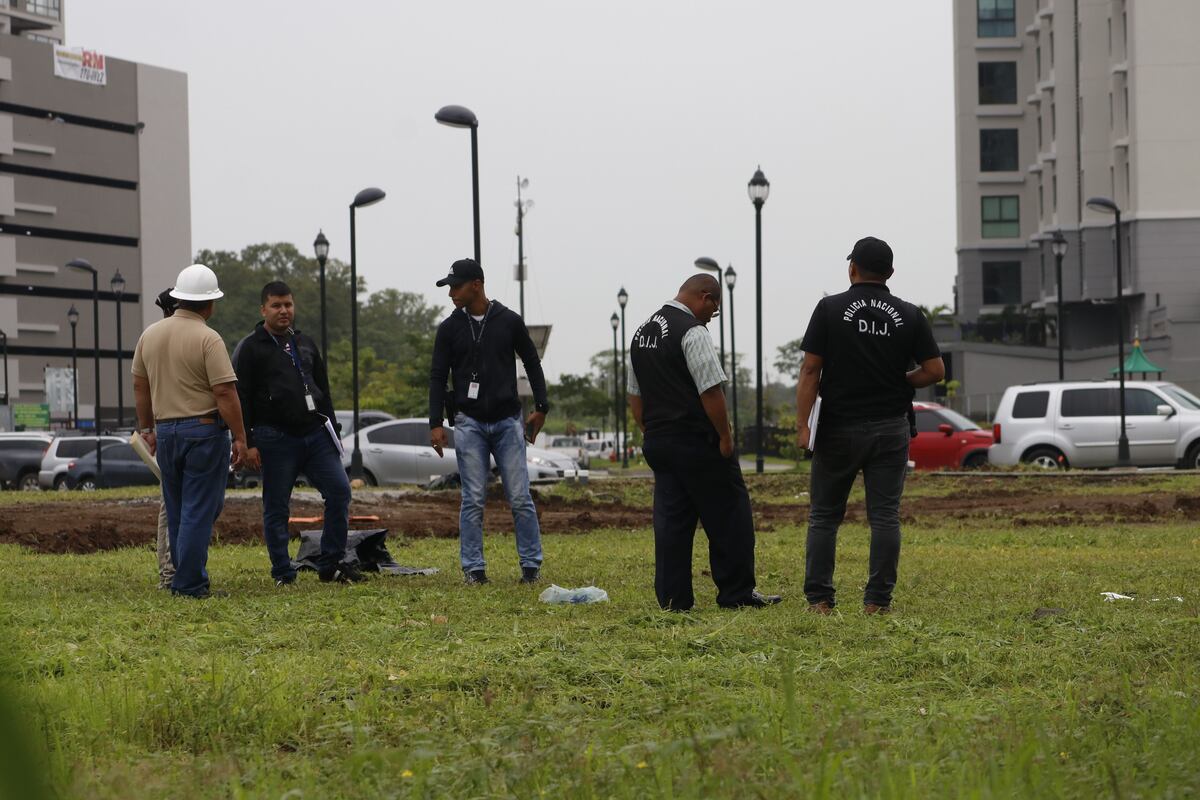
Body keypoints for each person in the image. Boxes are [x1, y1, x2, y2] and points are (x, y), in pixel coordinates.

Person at [796, 237, 945, 615]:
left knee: (824, 517)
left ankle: (820, 601)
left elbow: (811, 369)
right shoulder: (909, 314)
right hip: (890, 429)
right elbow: (934, 371)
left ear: (852, 269)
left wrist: (802, 426)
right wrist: (901, 380)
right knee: (884, 516)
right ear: (890, 273)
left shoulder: (829, 309)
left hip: (836, 429)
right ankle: (877, 602)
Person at [628, 273, 781, 611]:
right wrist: (725, 437)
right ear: (706, 297)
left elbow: (634, 394)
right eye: (715, 307)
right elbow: (710, 389)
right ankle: (737, 593)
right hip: (696, 441)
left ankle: (673, 599)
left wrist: (649, 429)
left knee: (671, 522)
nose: (714, 314)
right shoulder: (692, 331)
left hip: (660, 441)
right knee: (730, 515)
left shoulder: (642, 332)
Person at [428, 258, 549, 585]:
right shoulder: (450, 328)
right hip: (469, 422)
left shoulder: (508, 321)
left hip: (508, 421)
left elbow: (532, 362)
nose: (451, 292)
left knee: (520, 496)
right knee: (473, 498)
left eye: (456, 286)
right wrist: (435, 422)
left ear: (476, 285)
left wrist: (542, 405)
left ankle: (531, 566)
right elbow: (438, 376)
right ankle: (473, 569)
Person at [131, 264, 248, 599]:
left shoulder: (150, 335)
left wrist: (147, 428)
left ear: (179, 298)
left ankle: (182, 577)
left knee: (179, 507)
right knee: (199, 509)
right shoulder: (209, 338)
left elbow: (140, 385)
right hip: (204, 430)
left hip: (166, 432)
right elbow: (225, 393)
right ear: (210, 304)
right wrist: (240, 437)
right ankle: (190, 584)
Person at [232, 281, 361, 586]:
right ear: (263, 309)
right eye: (276, 305)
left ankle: (330, 564)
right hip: (275, 438)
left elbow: (322, 389)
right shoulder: (250, 348)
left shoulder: (304, 342)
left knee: (340, 491)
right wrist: (247, 443)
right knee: (277, 506)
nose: (284, 311)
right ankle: (283, 572)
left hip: (315, 434)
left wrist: (333, 429)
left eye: (288, 304)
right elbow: (241, 398)